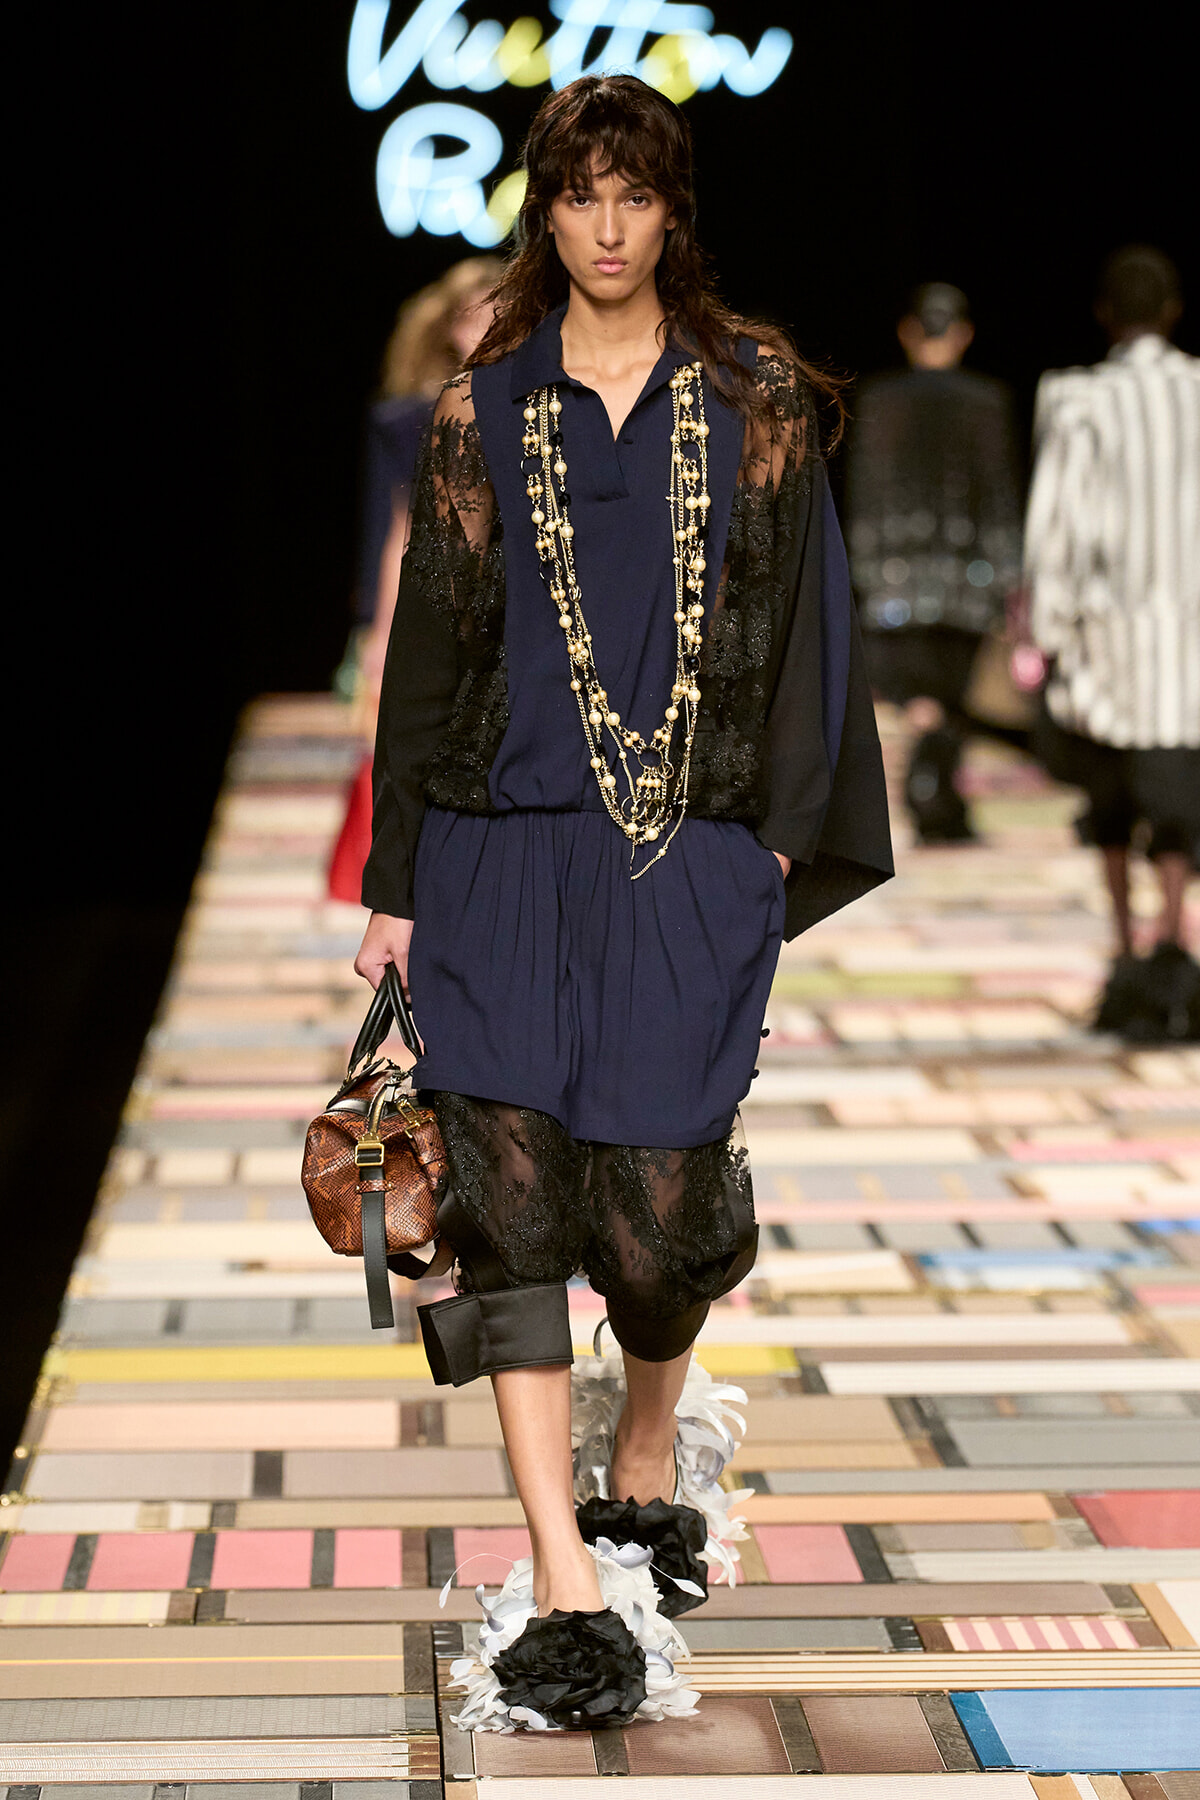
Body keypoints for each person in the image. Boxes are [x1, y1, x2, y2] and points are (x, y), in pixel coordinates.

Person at [354, 74, 893, 1731]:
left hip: (687, 852)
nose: (604, 225)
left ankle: (647, 1435)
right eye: (577, 195)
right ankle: (565, 1582)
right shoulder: (481, 412)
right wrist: (392, 883)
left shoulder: (758, 405)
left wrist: (780, 838)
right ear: (546, 211)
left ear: (670, 214)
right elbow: (432, 648)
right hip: (500, 849)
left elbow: (816, 618)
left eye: (631, 196)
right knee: (509, 1212)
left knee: (662, 1219)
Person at [1025, 245, 1200, 1041]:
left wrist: (1045, 626)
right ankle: (1174, 944)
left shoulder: (1079, 399)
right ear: (1171, 313)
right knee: (1176, 807)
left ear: (1105, 315)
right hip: (1189, 647)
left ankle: (1130, 954)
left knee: (1112, 806)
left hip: (1108, 643)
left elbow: (1057, 522)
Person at [328, 259, 502, 903]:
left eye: (503, 312)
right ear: (451, 327)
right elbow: (400, 530)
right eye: (477, 313)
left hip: (510, 610)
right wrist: (377, 633)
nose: (489, 325)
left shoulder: (546, 403)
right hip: (439, 601)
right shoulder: (416, 419)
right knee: (413, 732)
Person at [847, 283, 1023, 841]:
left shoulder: (879, 399)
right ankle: (936, 793)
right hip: (967, 580)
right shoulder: (987, 401)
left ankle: (932, 791)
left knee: (920, 697)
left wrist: (861, 575)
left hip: (893, 578)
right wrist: (1011, 579)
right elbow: (999, 496)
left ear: (908, 332)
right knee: (953, 696)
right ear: (965, 334)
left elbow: (863, 494)